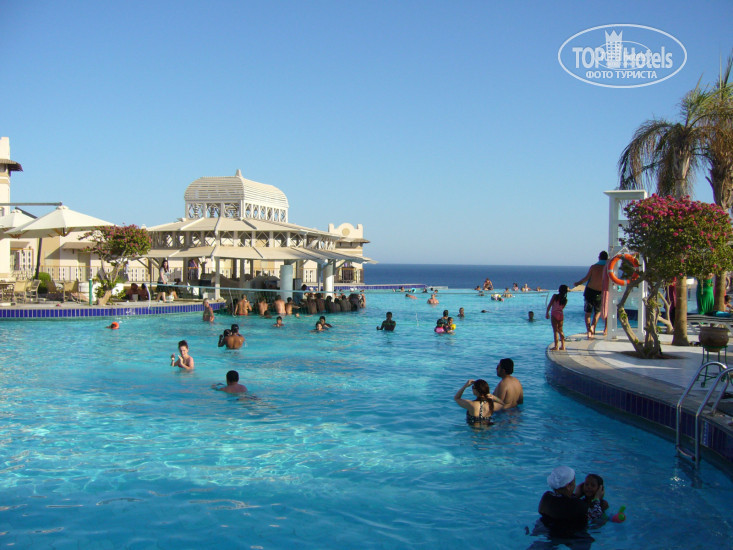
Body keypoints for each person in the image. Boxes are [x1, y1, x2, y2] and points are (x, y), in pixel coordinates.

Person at [538, 466, 603, 535]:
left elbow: (562, 502)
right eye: (574, 482)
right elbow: (596, 516)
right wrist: (597, 499)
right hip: (571, 537)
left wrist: (575, 495)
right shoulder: (578, 505)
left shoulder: (546, 496)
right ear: (568, 486)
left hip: (545, 531)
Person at [574, 251, 608, 338]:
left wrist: (578, 283)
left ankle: (589, 330)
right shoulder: (607, 267)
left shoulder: (594, 267)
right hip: (599, 292)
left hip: (589, 291)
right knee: (597, 312)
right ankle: (593, 327)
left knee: (588, 312)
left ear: (599, 257)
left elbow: (586, 278)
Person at [546, 285, 569, 351]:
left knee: (555, 331)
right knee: (561, 330)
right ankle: (563, 346)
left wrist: (547, 312)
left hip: (554, 314)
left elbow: (550, 305)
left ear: (559, 290)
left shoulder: (555, 296)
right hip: (561, 314)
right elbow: (562, 308)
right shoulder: (565, 300)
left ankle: (556, 346)